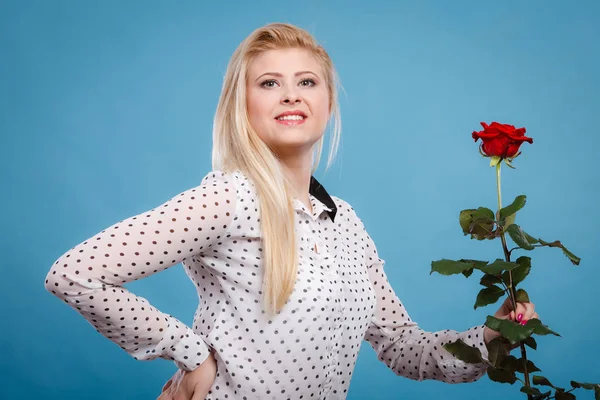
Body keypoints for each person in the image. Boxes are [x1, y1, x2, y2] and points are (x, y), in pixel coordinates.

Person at [44, 23, 538, 400]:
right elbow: (75, 274)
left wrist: (493, 334)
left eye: (306, 81)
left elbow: (403, 347)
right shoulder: (228, 200)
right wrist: (191, 354)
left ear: (327, 103)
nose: (290, 94)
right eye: (268, 83)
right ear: (242, 105)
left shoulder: (345, 223)